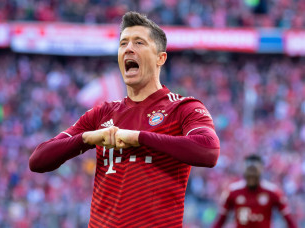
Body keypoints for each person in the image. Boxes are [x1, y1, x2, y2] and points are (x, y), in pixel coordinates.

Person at [29, 11, 220, 227]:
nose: (129, 49)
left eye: (139, 43)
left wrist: (138, 138)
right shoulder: (102, 114)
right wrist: (87, 139)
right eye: (123, 44)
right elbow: (38, 160)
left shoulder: (183, 107)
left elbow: (209, 151)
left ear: (160, 58)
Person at [212, 154, 298, 228]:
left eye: (254, 174)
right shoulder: (232, 191)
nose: (251, 177)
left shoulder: (273, 192)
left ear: (260, 172)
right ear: (244, 172)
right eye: (249, 174)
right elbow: (220, 221)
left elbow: (289, 220)